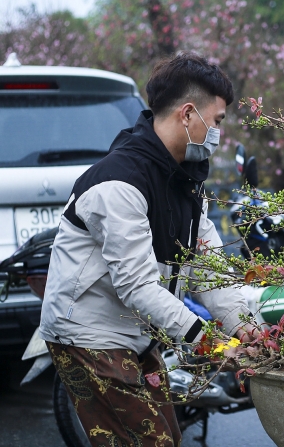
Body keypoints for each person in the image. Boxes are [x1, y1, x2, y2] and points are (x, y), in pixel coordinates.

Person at [39, 53, 252, 447]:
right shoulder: (120, 182)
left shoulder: (185, 181)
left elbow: (209, 270)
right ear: (188, 114)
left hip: (136, 331)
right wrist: (214, 343)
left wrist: (246, 329)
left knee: (168, 437)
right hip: (88, 333)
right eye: (217, 121)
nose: (219, 133)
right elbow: (138, 287)